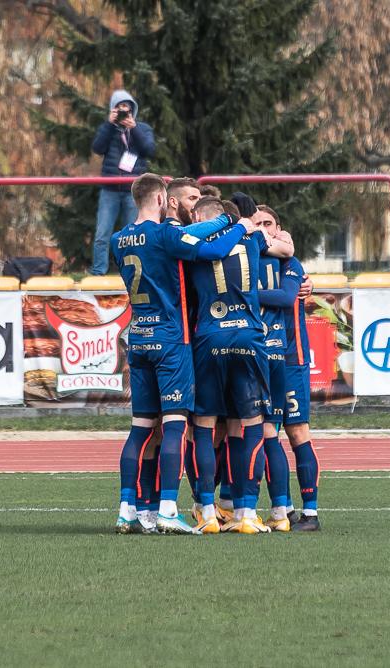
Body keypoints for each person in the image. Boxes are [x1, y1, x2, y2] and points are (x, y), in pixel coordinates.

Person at [110, 174, 255, 535]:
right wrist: (232, 222)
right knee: (175, 425)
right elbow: (210, 249)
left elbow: (181, 238)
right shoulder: (165, 234)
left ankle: (129, 510)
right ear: (162, 199)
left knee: (141, 428)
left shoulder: (118, 239)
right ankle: (167, 509)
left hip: (138, 337)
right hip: (171, 339)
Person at [188, 196, 274, 534]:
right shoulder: (252, 239)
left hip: (210, 337)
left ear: (202, 218)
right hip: (249, 337)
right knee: (249, 426)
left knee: (204, 427)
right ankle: (246, 513)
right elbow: (281, 244)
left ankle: (207, 512)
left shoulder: (194, 245)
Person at [257, 206, 321, 531]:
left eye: (268, 223)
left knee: (297, 432)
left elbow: (285, 297)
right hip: (260, 358)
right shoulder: (247, 261)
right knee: (268, 432)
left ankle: (311, 512)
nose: (263, 228)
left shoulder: (291, 264)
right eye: (257, 223)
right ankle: (285, 509)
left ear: (279, 228)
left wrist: (245, 294)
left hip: (291, 358)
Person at [90, 90, 156, 276]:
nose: (122, 111)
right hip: (109, 190)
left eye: (126, 107)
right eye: (118, 107)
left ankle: (134, 272)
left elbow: (149, 150)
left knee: (133, 235)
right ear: (113, 109)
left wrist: (134, 128)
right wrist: (108, 125)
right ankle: (98, 271)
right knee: (102, 234)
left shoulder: (142, 128)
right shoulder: (108, 129)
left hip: (133, 191)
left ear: (132, 109)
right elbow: (97, 148)